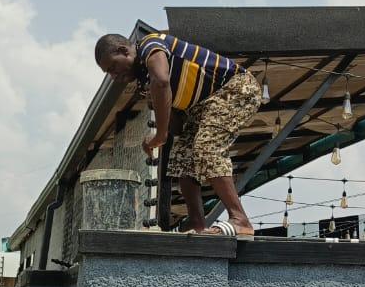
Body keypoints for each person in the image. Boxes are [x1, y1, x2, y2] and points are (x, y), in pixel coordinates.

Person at [95, 31, 261, 235]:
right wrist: (166, 128)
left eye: (113, 67)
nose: (114, 76)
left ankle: (240, 220)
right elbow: (177, 122)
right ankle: (197, 224)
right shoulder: (145, 81)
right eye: (108, 73)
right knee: (181, 158)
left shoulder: (150, 44)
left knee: (207, 147)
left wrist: (159, 135)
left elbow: (162, 81)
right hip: (200, 107)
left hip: (234, 88)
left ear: (124, 51)